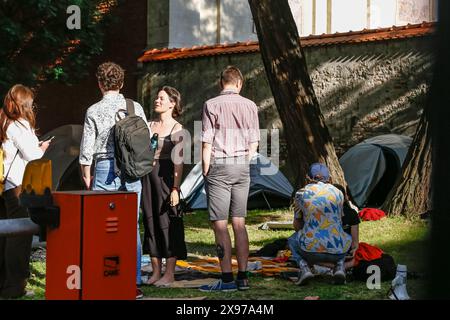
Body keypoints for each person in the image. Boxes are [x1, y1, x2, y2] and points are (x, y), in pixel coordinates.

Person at [79, 62, 149, 299]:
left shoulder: (93, 111)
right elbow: (145, 140)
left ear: (100, 84)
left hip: (104, 168)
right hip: (132, 169)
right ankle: (133, 281)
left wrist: (86, 174)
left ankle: (105, 277)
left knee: (103, 226)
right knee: (130, 226)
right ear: (121, 83)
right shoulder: (135, 107)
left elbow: (87, 150)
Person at [199, 66, 260, 292]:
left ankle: (226, 279)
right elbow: (254, 141)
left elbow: (207, 141)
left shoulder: (211, 105)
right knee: (239, 223)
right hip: (241, 166)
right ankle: (243, 277)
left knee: (220, 225)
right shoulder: (251, 105)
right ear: (239, 83)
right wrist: (245, 160)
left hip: (219, 165)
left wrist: (206, 170)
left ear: (220, 83)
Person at [0, 84, 51, 298]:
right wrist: (42, 147)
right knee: (19, 238)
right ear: (25, 104)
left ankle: (4, 283)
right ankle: (15, 287)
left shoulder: (2, 120)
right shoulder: (18, 124)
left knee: (4, 236)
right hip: (17, 186)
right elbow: (34, 156)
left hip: (4, 185)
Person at [141, 86, 187, 287]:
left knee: (168, 223)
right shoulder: (148, 125)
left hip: (166, 178)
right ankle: (155, 271)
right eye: (157, 98)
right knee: (150, 222)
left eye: (162, 98)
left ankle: (169, 273)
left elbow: (179, 162)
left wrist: (175, 189)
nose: (157, 101)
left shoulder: (178, 129)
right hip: (147, 179)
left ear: (172, 103)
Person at [288, 163, 352, 286]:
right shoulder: (338, 193)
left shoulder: (301, 193)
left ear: (308, 178)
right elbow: (340, 220)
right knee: (346, 238)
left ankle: (304, 268)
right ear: (329, 178)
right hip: (337, 251)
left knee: (292, 240)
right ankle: (339, 267)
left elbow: (297, 226)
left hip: (310, 252)